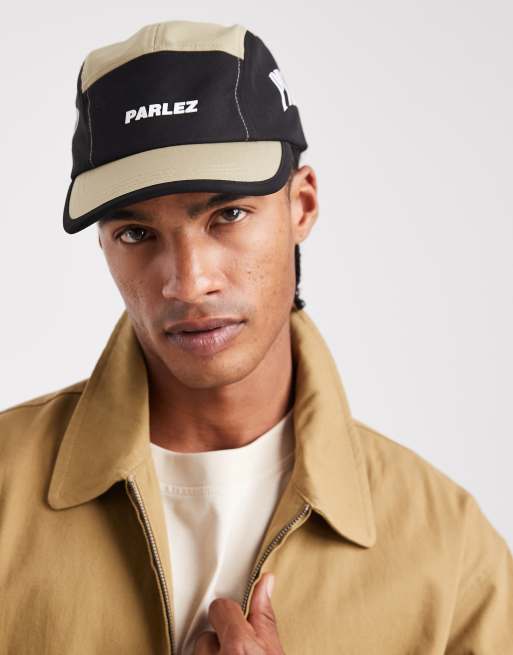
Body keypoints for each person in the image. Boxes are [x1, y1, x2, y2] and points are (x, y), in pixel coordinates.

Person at [1, 19, 512, 655]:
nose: (189, 283)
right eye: (136, 234)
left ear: (302, 206)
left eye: (229, 214)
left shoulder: (451, 556)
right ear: (104, 243)